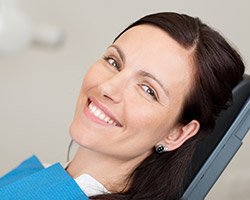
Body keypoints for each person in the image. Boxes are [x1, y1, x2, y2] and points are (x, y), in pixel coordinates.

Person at [0, 12, 245, 200]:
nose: (108, 88)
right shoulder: (42, 175)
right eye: (114, 61)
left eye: (148, 90)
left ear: (177, 133)